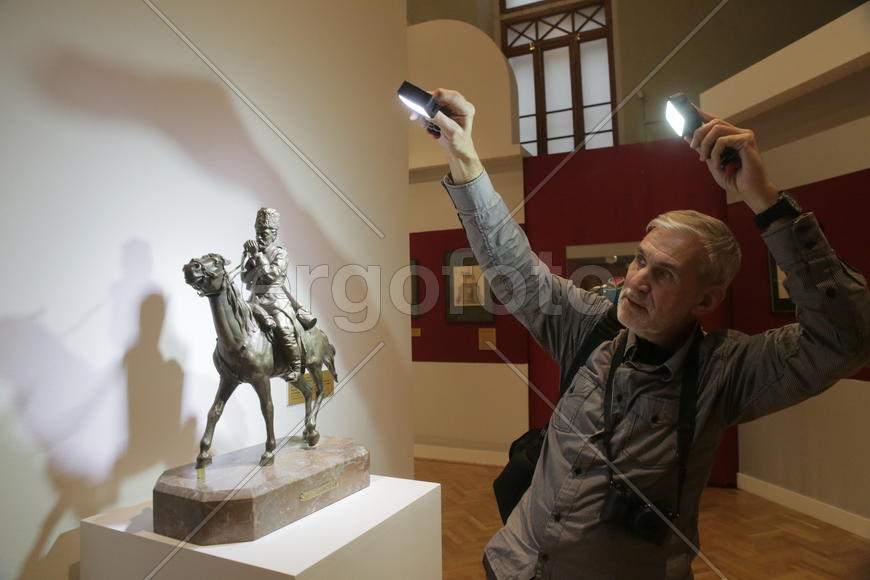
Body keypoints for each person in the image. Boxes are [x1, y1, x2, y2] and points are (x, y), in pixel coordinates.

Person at [412, 89, 870, 579]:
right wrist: (463, 153)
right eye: (639, 259)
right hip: (514, 567)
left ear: (707, 299)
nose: (636, 281)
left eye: (665, 273)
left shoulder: (725, 371)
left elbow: (845, 339)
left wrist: (765, 200)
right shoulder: (590, 326)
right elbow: (512, 266)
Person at [242, 207, 315, 383]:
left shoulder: (280, 253)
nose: (259, 236)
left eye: (264, 232)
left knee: (283, 329)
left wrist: (257, 257)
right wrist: (248, 259)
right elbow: (246, 279)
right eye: (258, 231)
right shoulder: (256, 253)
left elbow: (270, 276)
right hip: (255, 300)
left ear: (274, 234)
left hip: (275, 301)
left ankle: (295, 367)